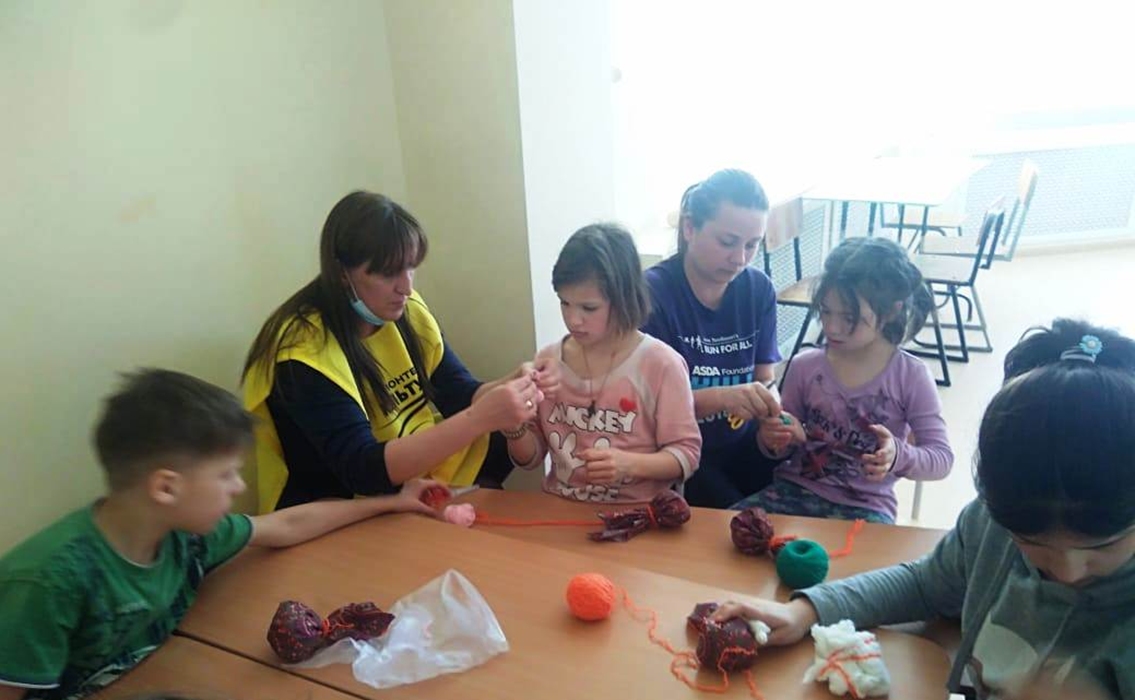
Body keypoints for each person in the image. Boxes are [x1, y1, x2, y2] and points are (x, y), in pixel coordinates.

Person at [712, 319, 1135, 699]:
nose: (1069, 571)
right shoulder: (990, 526)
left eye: (1102, 548)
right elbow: (925, 584)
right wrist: (803, 612)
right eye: (1033, 546)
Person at [0, 369, 445, 700]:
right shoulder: (49, 584)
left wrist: (391, 502)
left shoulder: (180, 534)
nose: (238, 487)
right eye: (226, 474)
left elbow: (285, 525)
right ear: (166, 487)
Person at [242, 191, 559, 512]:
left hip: (400, 467)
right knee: (483, 429)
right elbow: (363, 471)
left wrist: (514, 383)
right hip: (340, 499)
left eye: (410, 267)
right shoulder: (302, 353)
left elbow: (458, 392)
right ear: (341, 273)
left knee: (498, 437)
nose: (406, 287)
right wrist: (479, 418)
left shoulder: (404, 308)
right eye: (388, 273)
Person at [735, 237, 953, 524]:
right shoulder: (805, 365)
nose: (832, 328)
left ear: (891, 311)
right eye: (826, 312)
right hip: (793, 490)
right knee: (726, 533)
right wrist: (774, 437)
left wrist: (898, 456)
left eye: (850, 318)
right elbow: (783, 445)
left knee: (859, 556)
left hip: (867, 507)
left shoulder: (911, 376)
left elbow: (941, 458)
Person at [508, 224, 701, 503]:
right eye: (564, 303)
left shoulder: (661, 365)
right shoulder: (548, 361)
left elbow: (687, 455)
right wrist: (512, 424)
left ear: (624, 300)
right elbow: (530, 459)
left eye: (589, 308)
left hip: (637, 511)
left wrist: (629, 464)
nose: (573, 320)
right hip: (559, 508)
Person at [641, 169, 782, 508]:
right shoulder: (651, 294)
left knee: (793, 504)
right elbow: (645, 408)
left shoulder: (758, 289)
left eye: (752, 245)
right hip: (677, 453)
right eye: (727, 242)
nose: (740, 258)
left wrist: (773, 417)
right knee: (738, 520)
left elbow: (765, 378)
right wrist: (723, 397)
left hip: (743, 443)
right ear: (690, 228)